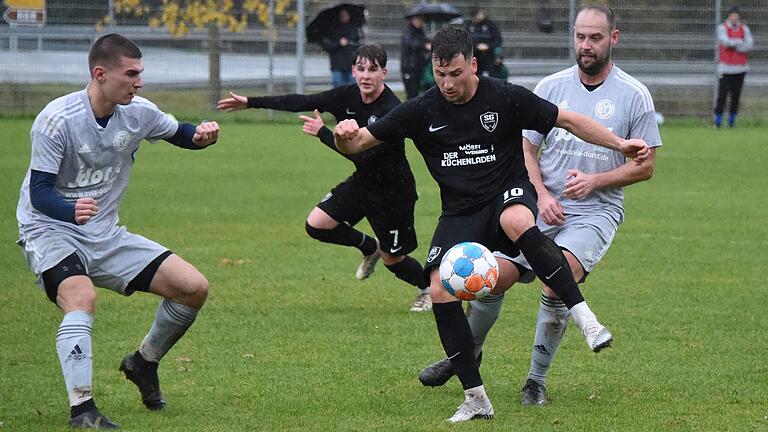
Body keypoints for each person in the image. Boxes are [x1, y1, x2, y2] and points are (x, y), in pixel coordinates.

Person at [333, 27, 649, 422]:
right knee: (439, 288)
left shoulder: (504, 96)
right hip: (461, 211)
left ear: (474, 65)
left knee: (516, 218)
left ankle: (586, 318)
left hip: (508, 191)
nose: (447, 84)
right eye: (440, 74)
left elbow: (568, 120)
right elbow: (359, 142)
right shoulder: (421, 109)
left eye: (456, 74)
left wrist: (620, 145)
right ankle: (476, 398)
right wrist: (343, 135)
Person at [417, 5, 662, 408]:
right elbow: (526, 148)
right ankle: (464, 356)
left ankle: (535, 381)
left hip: (594, 212)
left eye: (595, 37)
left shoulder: (634, 95)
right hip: (536, 205)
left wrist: (594, 181)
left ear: (613, 38)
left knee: (554, 282)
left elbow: (645, 166)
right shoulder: (550, 86)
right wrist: (543, 195)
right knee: (487, 278)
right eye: (580, 36)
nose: (585, 45)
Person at [14, 33, 219, 429]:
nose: (139, 82)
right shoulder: (56, 120)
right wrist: (70, 209)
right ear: (100, 73)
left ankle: (143, 363)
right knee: (81, 296)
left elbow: (182, 134)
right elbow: (39, 194)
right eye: (131, 74)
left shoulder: (138, 112)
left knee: (193, 288)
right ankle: (82, 409)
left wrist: (203, 137)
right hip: (50, 230)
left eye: (140, 73)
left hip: (104, 234)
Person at [217, 45, 431, 312]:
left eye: (373, 70)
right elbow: (301, 101)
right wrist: (251, 102)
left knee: (394, 260)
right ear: (353, 71)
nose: (366, 75)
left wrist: (323, 134)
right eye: (361, 68)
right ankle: (368, 246)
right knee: (317, 225)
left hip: (393, 192)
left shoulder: (391, 109)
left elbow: (363, 156)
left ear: (384, 73)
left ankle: (427, 289)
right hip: (363, 183)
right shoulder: (345, 96)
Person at [714, 5, 753, 128]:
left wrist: (734, 44)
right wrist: (739, 42)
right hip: (725, 68)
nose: (734, 18)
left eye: (736, 15)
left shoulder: (744, 29)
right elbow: (725, 42)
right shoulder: (722, 28)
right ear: (729, 16)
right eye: (732, 15)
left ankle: (731, 121)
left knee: (735, 96)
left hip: (740, 68)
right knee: (722, 96)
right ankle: (718, 122)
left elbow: (749, 45)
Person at [320, 7, 363, 88]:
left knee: (352, 90)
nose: (344, 17)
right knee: (338, 90)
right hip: (337, 66)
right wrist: (339, 43)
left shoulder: (354, 29)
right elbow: (326, 46)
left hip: (351, 65)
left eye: (346, 15)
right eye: (342, 15)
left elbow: (359, 44)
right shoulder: (331, 30)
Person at [401, 14, 431, 99]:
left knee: (418, 91)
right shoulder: (407, 31)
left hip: (419, 66)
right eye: (417, 19)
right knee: (411, 92)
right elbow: (410, 43)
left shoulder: (421, 31)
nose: (419, 22)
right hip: (409, 67)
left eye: (421, 20)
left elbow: (424, 40)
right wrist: (424, 45)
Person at [466, 7, 502, 77]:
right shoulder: (470, 25)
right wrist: (476, 46)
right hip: (474, 54)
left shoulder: (491, 25)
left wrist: (488, 46)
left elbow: (498, 40)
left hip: (488, 55)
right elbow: (466, 39)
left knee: (488, 75)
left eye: (480, 14)